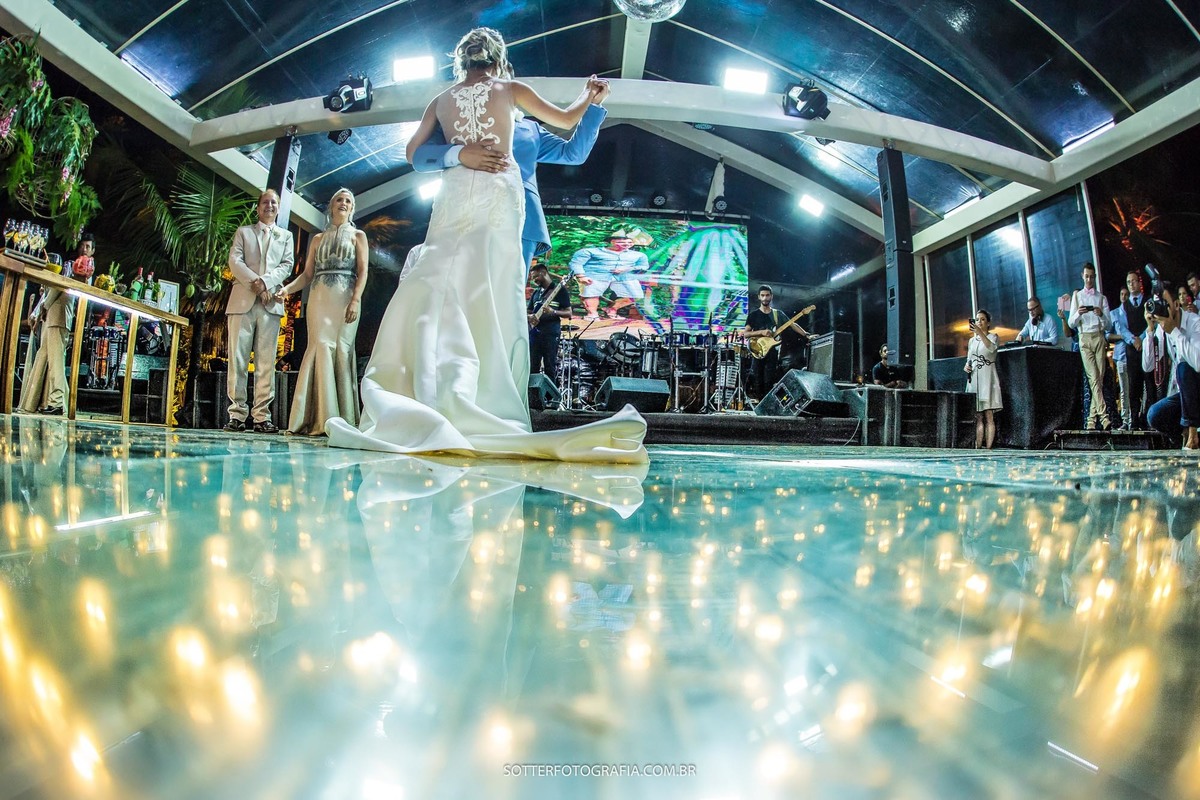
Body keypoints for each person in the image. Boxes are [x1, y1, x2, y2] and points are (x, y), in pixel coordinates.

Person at [325, 27, 646, 463]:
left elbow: (571, 150)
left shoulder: (446, 101)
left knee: (457, 283)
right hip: (494, 200)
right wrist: (590, 96)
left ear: (462, 61)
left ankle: (435, 382)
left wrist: (459, 154)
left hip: (474, 202)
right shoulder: (510, 90)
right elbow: (566, 118)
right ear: (500, 59)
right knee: (489, 295)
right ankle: (478, 393)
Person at [410, 75, 610, 270]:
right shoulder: (456, 120)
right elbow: (419, 156)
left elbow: (573, 154)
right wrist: (459, 153)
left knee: (507, 296)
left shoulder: (530, 129)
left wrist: (593, 106)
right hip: (463, 214)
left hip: (521, 216)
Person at [276, 188, 368, 436]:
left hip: (346, 297)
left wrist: (356, 300)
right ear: (331, 205)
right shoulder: (317, 239)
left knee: (341, 348)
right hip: (319, 297)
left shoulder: (359, 236)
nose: (344, 203)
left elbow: (363, 272)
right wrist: (287, 290)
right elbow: (306, 275)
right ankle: (315, 418)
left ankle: (343, 419)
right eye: (339, 199)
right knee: (319, 346)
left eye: (348, 200)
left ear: (352, 208)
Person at [224, 189, 295, 433]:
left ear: (278, 207)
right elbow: (235, 261)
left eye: (274, 202)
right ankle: (237, 414)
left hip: (270, 304)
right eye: (265, 202)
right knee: (238, 358)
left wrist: (264, 284)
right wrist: (256, 283)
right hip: (241, 302)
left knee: (266, 363)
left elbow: (287, 265)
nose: (270, 206)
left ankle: (262, 417)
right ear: (258, 207)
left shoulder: (286, 236)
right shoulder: (244, 232)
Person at [18, 236, 84, 415]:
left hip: (58, 320)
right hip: (51, 320)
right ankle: (33, 401)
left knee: (56, 363)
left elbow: (55, 291)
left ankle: (58, 402)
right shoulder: (62, 275)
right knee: (43, 358)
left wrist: (41, 309)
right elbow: (49, 295)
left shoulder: (66, 274)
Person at [1148, 285, 1200, 449]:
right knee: (1155, 414)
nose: (1162, 309)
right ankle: (1181, 436)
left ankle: (1193, 433)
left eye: (1166, 304)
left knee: (1183, 367)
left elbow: (1198, 363)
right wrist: (1150, 330)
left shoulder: (1195, 323)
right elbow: (1148, 365)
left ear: (1177, 305)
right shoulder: (1162, 329)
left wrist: (1175, 332)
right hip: (1188, 398)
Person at [743, 285, 810, 399]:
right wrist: (762, 332)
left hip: (772, 352)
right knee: (758, 380)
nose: (765, 298)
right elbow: (746, 334)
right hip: (758, 351)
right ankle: (759, 407)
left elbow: (793, 324)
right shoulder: (753, 315)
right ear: (759, 297)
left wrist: (806, 334)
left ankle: (768, 408)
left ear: (771, 297)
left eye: (767, 295)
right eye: (763, 295)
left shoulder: (777, 314)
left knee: (769, 381)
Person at [1068, 262, 1112, 430]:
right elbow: (1071, 323)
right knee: (1093, 377)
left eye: (1092, 277)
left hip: (1099, 337)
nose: (1089, 279)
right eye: (1086, 276)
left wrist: (1101, 315)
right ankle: (1105, 417)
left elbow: (1109, 326)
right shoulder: (1077, 296)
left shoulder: (1102, 298)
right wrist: (1078, 314)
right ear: (1082, 276)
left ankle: (1091, 420)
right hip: (1084, 338)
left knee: (1098, 380)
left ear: (1095, 277)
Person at [569, 230, 649, 321]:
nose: (626, 244)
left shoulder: (639, 255)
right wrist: (581, 276)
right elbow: (576, 263)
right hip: (595, 275)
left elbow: (644, 266)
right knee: (591, 293)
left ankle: (612, 310)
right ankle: (592, 314)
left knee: (635, 295)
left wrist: (627, 269)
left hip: (623, 277)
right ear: (612, 241)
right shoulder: (589, 251)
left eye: (629, 242)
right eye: (621, 242)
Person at [1111, 270, 1148, 429]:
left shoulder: (1148, 301)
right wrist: (1134, 339)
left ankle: (1147, 420)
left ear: (1140, 283)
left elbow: (1151, 323)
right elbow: (1121, 328)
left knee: (1149, 385)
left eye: (1134, 281)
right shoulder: (1122, 308)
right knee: (1131, 388)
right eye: (1129, 282)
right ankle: (1132, 421)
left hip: (1146, 346)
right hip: (1130, 350)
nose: (1132, 284)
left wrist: (1142, 337)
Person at [964, 309, 1002, 449]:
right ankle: (978, 445)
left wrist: (980, 333)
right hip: (975, 378)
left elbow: (991, 349)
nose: (979, 322)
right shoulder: (972, 341)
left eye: (982, 319)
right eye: (977, 319)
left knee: (988, 414)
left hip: (988, 377)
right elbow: (969, 358)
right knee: (978, 415)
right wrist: (967, 366)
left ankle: (989, 447)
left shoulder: (993, 337)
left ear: (988, 323)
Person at [527, 262, 572, 379]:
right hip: (534, 334)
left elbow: (569, 312)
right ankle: (533, 396)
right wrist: (530, 317)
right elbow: (528, 311)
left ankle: (550, 396)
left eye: (536, 276)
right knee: (533, 367)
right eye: (532, 278)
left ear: (544, 273)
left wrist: (554, 312)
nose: (534, 280)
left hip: (551, 334)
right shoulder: (536, 293)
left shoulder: (559, 290)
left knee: (549, 366)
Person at [1141, 301, 1170, 414]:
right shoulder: (1154, 333)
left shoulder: (1174, 328)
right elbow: (1147, 367)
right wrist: (1150, 327)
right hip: (1160, 389)